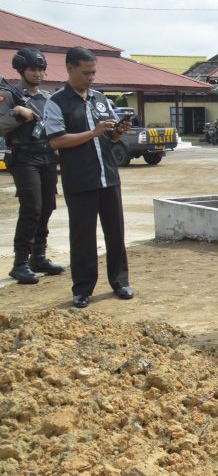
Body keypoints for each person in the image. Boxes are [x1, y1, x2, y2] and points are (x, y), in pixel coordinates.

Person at [43, 46, 134, 308]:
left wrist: (118, 131)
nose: (91, 78)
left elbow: (111, 136)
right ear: (69, 68)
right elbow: (57, 140)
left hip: (108, 177)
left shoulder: (101, 99)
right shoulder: (57, 102)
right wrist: (93, 133)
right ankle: (82, 288)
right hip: (80, 180)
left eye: (94, 73)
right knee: (83, 235)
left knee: (115, 232)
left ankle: (120, 282)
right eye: (86, 73)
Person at [1, 48, 64, 284]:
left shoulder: (48, 99)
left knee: (47, 206)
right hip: (24, 157)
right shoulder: (9, 95)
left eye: (40, 69)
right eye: (32, 69)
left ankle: (39, 257)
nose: (38, 74)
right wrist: (17, 113)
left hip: (47, 156)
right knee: (32, 208)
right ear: (21, 70)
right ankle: (20, 263)